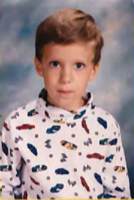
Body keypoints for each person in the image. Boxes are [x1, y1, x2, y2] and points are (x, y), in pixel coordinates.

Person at [0, 8, 131, 199]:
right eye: (55, 64)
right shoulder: (16, 125)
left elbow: (118, 194)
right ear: (39, 66)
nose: (66, 78)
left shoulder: (106, 127)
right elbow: (4, 188)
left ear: (93, 70)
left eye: (78, 65)